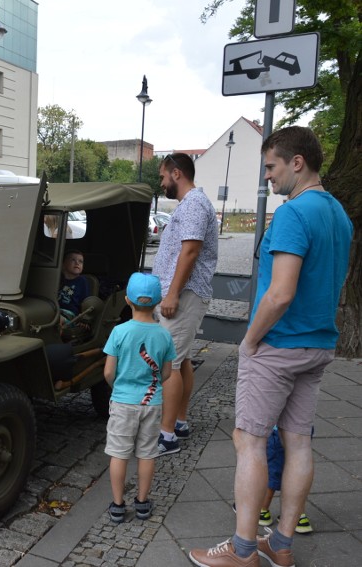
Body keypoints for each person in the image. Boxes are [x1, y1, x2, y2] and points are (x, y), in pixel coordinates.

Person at [188, 127, 351, 567]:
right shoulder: (339, 214)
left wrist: (250, 339)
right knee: (298, 443)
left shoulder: (294, 214)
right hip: (318, 345)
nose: (267, 178)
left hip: (278, 346)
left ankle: (242, 551)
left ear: (297, 162)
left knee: (249, 441)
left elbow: (280, 293)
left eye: (271, 167)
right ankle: (280, 545)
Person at [152, 152, 218, 456]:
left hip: (184, 295)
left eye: (163, 176)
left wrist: (173, 293)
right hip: (186, 293)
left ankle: (166, 436)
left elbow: (190, 252)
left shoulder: (193, 204)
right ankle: (179, 421)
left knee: (171, 364)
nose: (162, 182)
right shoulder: (194, 204)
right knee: (184, 359)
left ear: (177, 173)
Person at [103, 273, 176, 524]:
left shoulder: (119, 332)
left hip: (123, 402)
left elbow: (109, 371)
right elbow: (166, 372)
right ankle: (143, 504)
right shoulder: (164, 335)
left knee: (119, 454)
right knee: (146, 454)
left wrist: (118, 387)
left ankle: (117, 505)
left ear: (127, 300)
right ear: (157, 303)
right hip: (151, 402)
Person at [259, 426, 314, 534]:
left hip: (277, 431)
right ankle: (299, 516)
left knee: (272, 472)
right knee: (298, 469)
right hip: (303, 430)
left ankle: (262, 511)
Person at [58, 250, 90, 324]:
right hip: (54, 310)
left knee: (58, 319)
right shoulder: (58, 278)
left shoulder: (82, 281)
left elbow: (85, 303)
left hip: (70, 315)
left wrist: (84, 320)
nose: (77, 263)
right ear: (63, 264)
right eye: (73, 260)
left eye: (80, 261)